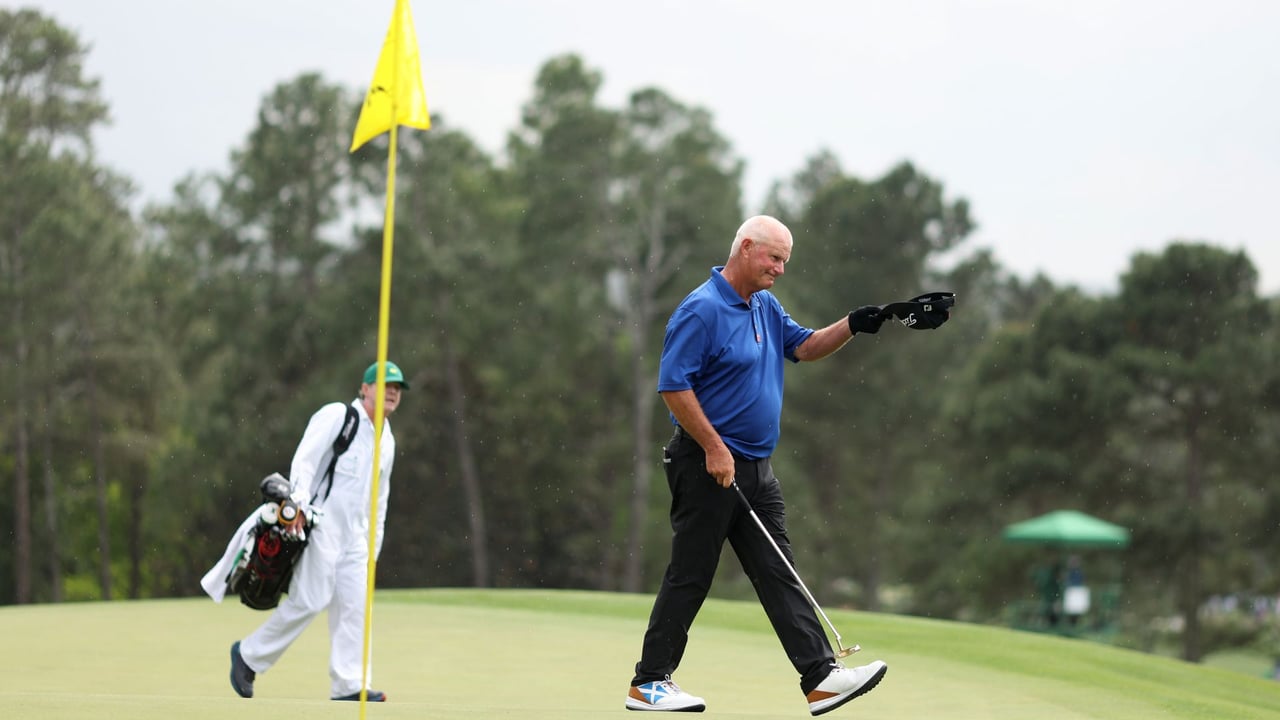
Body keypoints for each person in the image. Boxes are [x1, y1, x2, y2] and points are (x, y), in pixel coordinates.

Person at [626, 216, 889, 716]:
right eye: (774, 258)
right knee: (691, 574)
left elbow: (805, 347)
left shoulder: (763, 306)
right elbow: (672, 386)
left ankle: (820, 679)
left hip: (755, 469)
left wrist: (854, 323)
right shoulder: (700, 311)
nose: (781, 269)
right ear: (745, 248)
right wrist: (713, 447)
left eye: (785, 260)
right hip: (708, 465)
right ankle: (649, 682)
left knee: (779, 571)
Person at [228, 361, 408, 702]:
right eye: (385, 384)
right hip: (320, 524)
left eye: (397, 388)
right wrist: (295, 505)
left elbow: (379, 498)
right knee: (310, 600)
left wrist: (374, 547)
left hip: (357, 536)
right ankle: (248, 655)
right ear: (365, 388)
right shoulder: (340, 417)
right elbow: (305, 460)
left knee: (356, 607)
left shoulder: (388, 441)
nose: (393, 392)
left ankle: (349, 684)